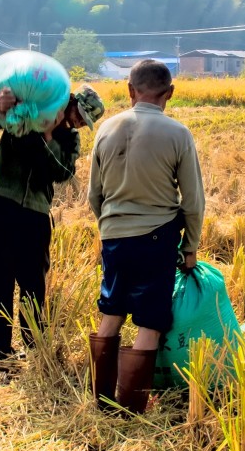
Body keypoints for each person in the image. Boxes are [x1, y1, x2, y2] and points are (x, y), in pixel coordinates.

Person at [88, 60, 205, 414]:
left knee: (111, 311)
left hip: (113, 237)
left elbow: (94, 195)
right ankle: (130, 407)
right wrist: (190, 247)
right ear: (169, 93)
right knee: (150, 322)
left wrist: (111, 227)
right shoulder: (177, 133)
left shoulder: (106, 129)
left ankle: (102, 400)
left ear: (129, 89)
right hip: (157, 237)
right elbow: (193, 201)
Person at [0, 83, 104, 364]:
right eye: (78, 114)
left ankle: (34, 346)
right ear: (69, 102)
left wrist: (47, 135)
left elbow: (62, 172)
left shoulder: (70, 140)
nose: (78, 122)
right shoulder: (26, 112)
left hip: (36, 211)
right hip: (0, 201)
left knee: (33, 282)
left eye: (83, 121)